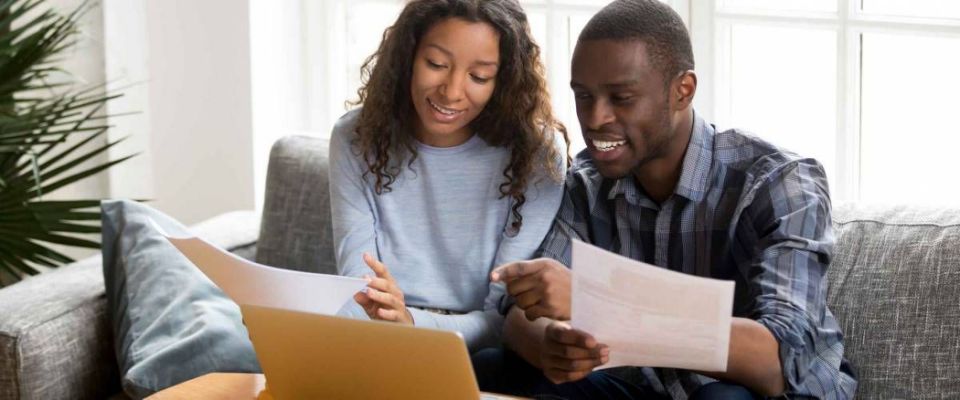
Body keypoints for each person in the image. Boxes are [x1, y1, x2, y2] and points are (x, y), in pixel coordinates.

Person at [481, 0, 858, 398]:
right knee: (494, 366)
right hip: (648, 389)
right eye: (584, 96)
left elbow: (779, 360)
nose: (594, 118)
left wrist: (602, 305)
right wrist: (550, 344)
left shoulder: (780, 183)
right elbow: (519, 314)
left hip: (759, 391)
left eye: (621, 98)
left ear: (683, 91)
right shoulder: (586, 184)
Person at [328, 0, 569, 353]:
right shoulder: (356, 137)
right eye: (436, 64)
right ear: (408, 56)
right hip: (375, 338)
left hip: (477, 352)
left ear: (503, 81)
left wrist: (411, 323)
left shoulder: (536, 154)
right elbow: (357, 286)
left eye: (479, 77)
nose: (452, 92)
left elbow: (503, 319)